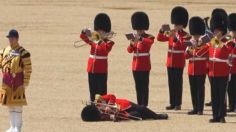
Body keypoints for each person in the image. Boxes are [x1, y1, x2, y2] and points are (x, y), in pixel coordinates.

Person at [157, 6, 191, 110]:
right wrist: (161, 30)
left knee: (178, 83)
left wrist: (175, 39)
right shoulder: (171, 32)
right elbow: (160, 38)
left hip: (179, 61)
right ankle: (172, 102)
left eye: (178, 24)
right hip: (170, 61)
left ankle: (178, 103)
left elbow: (183, 46)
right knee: (171, 83)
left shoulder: (186, 35)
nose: (176, 26)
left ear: (183, 25)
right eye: (175, 24)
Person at [0, 29, 32, 132]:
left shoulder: (23, 52)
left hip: (18, 81)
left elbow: (28, 68)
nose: (10, 40)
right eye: (9, 38)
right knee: (9, 104)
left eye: (12, 38)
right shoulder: (4, 51)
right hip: (6, 81)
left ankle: (17, 127)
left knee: (17, 105)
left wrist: (26, 81)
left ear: (17, 38)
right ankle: (12, 126)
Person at [80, 13, 115, 101]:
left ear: (106, 32)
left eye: (101, 31)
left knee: (101, 92)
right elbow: (84, 38)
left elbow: (105, 49)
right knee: (92, 90)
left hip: (101, 70)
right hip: (91, 68)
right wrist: (84, 31)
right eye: (98, 31)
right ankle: (93, 107)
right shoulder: (94, 40)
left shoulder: (109, 42)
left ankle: (102, 109)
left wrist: (97, 39)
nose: (99, 33)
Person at [208, 11, 233, 123]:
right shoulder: (212, 41)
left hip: (222, 72)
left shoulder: (228, 42)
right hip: (212, 72)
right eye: (214, 30)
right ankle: (215, 115)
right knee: (214, 95)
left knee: (222, 95)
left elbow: (226, 52)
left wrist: (219, 40)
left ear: (222, 30)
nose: (215, 32)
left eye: (217, 30)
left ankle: (222, 115)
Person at [127, 12, 155, 106]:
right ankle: (139, 105)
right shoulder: (135, 38)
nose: (139, 31)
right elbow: (129, 50)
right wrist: (133, 43)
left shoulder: (149, 37)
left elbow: (149, 42)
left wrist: (140, 39)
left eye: (140, 29)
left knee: (144, 86)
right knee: (138, 86)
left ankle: (144, 105)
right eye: (138, 29)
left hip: (144, 65)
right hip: (135, 65)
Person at [81, 94, 168, 121]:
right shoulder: (101, 115)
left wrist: (109, 106)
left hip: (124, 104)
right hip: (123, 112)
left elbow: (112, 96)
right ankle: (149, 116)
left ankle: (157, 116)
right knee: (137, 115)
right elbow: (110, 117)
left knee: (142, 108)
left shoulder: (99, 100)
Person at [185, 17, 209, 115]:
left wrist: (195, 49)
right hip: (191, 69)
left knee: (200, 89)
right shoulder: (190, 42)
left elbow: (202, 54)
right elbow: (185, 56)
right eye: (194, 34)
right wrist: (191, 49)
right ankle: (195, 107)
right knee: (193, 89)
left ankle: (200, 109)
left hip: (201, 69)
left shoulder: (205, 43)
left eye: (197, 34)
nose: (195, 36)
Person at [227, 13, 236, 113]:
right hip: (230, 68)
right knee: (230, 88)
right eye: (232, 31)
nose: (233, 33)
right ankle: (231, 105)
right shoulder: (228, 41)